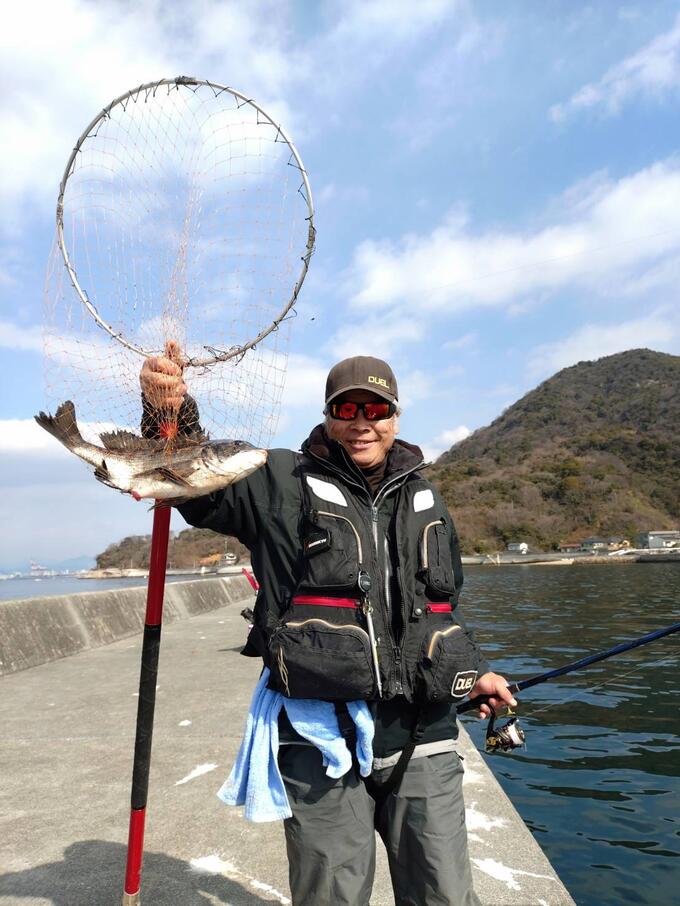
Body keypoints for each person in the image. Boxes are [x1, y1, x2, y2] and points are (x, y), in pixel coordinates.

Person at [140, 350, 516, 906]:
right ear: (328, 414)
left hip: (423, 734)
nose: (362, 422)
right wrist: (169, 410)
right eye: (347, 408)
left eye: (376, 409)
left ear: (395, 417)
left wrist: (477, 671)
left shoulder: (425, 497)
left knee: (446, 895)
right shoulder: (279, 480)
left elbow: (441, 605)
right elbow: (194, 481)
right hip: (320, 739)